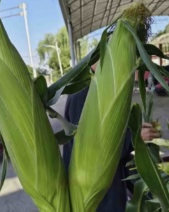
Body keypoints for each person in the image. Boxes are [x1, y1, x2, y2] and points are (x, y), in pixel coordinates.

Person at [63, 68, 161, 212]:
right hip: (94, 192)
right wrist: (134, 138)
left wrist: (134, 130)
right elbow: (90, 151)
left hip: (110, 184)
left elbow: (107, 132)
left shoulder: (101, 88)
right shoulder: (82, 93)